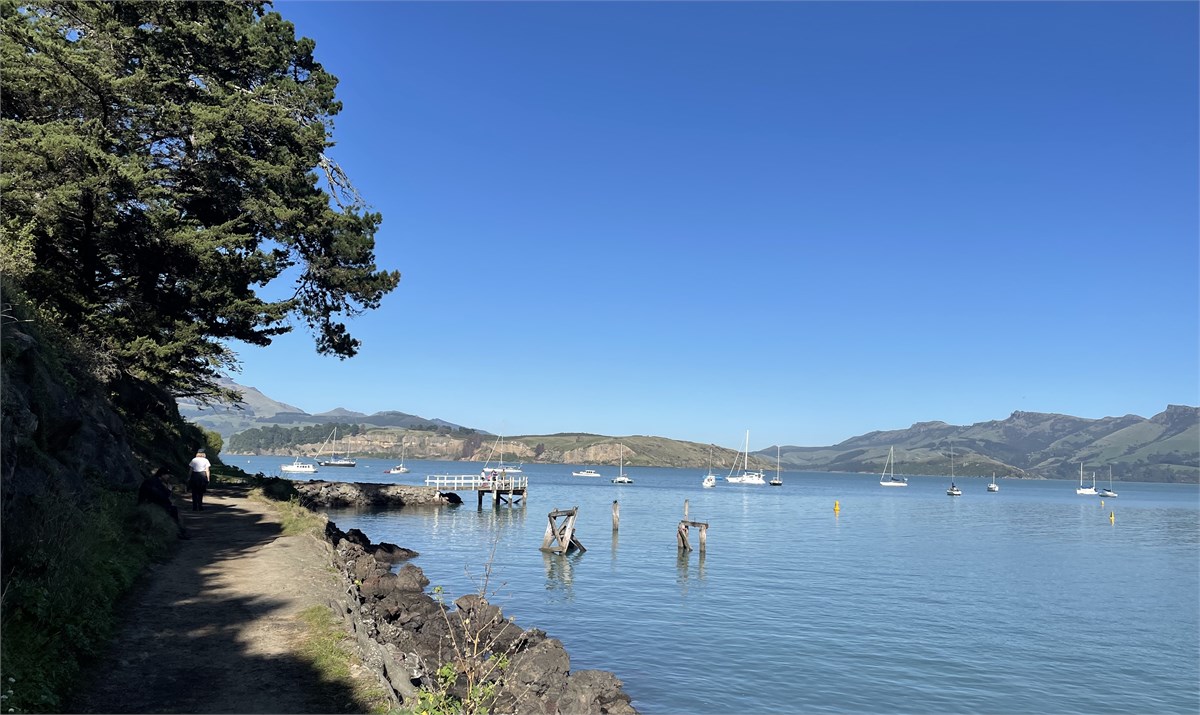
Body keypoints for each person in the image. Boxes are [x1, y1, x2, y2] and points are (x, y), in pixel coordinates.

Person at [139, 467, 187, 537]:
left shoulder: (155, 481)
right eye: (167, 475)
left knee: (172, 508)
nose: (168, 477)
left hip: (150, 502)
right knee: (173, 510)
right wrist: (169, 491)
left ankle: (179, 530)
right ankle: (178, 532)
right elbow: (160, 496)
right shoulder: (154, 482)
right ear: (162, 475)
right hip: (150, 503)